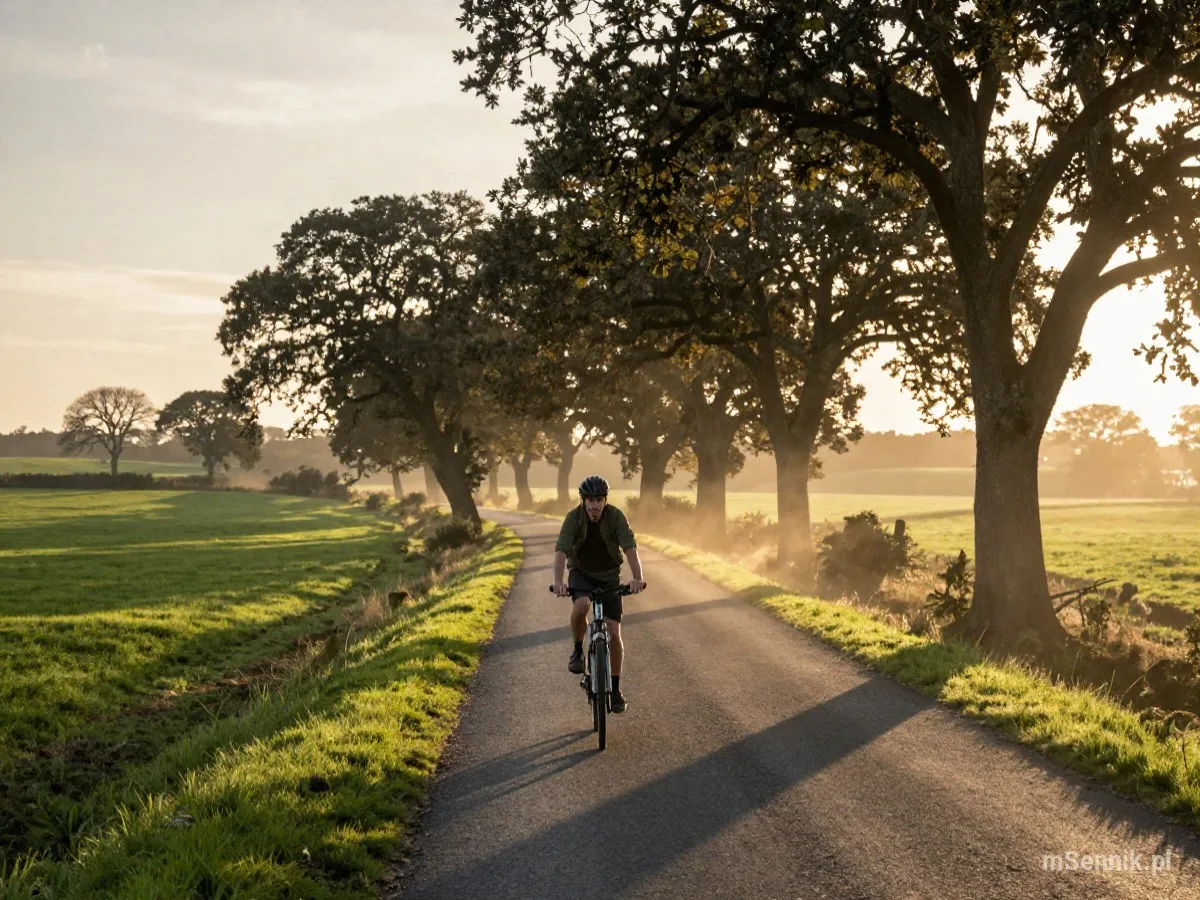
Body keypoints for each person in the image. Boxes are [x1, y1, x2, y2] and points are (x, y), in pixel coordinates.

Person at [552, 475, 645, 713]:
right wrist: (558, 582)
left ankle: (615, 690)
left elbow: (629, 546)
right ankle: (577, 650)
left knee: (614, 633)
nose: (594, 505)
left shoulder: (615, 517)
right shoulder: (573, 518)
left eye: (598, 500)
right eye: (589, 500)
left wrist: (637, 578)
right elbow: (562, 550)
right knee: (582, 605)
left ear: (605, 501)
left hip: (609, 575)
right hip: (581, 573)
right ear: (583, 501)